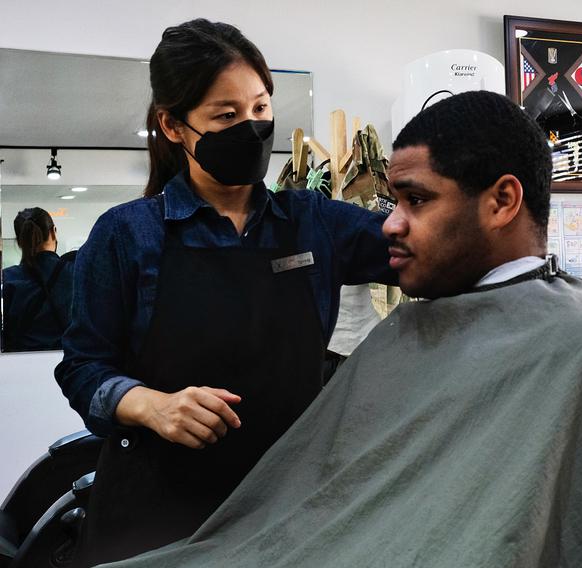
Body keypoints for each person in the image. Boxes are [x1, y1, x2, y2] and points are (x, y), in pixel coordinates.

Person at [103, 91, 582, 568]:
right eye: (391, 199)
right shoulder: (416, 332)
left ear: (501, 201)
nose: (388, 223)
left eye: (415, 200)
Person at [53, 19, 395, 565]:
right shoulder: (126, 234)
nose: (252, 127)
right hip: (158, 517)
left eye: (261, 108)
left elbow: (423, 254)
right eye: (226, 116)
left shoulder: (314, 223)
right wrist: (150, 405)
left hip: (285, 511)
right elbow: (81, 367)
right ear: (172, 125)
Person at [1, 207, 75, 351]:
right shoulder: (76, 274)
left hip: (17, 366)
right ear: (53, 232)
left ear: (19, 241)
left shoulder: (7, 278)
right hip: (69, 364)